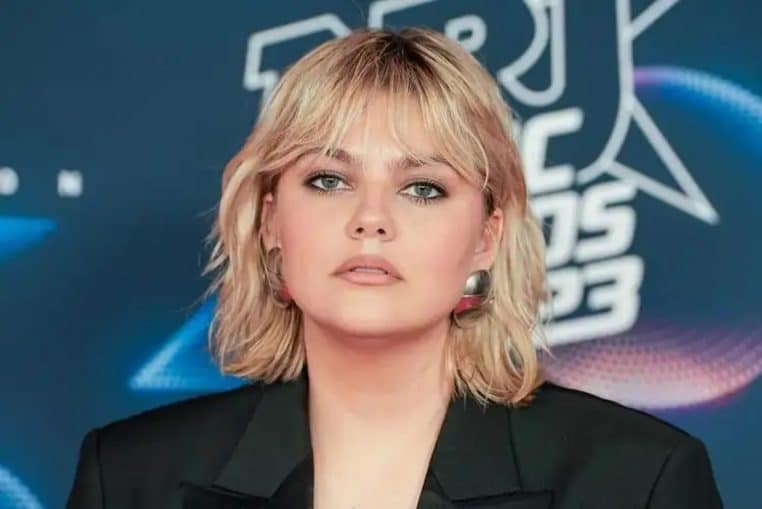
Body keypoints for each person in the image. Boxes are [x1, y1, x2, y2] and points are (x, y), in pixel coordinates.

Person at [64, 27, 724, 509]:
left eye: (423, 188)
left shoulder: (638, 479)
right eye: (328, 180)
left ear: (487, 238)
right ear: (270, 223)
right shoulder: (128, 478)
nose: (371, 218)